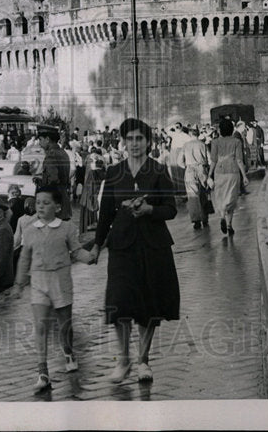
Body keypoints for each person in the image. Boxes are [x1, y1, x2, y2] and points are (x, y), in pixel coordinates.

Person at [91, 118, 180, 384]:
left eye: (139, 139)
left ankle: (143, 361)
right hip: (121, 244)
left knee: (148, 304)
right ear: (123, 142)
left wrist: (150, 209)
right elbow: (105, 213)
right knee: (119, 302)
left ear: (148, 142)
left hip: (153, 245)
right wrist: (97, 244)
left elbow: (171, 209)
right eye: (129, 139)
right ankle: (123, 360)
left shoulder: (159, 170)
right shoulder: (114, 172)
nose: (134, 144)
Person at [11, 186, 94, 392]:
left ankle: (68, 352)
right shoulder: (29, 229)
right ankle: (43, 372)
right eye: (38, 202)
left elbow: (75, 250)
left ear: (57, 207)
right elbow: (24, 257)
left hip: (61, 281)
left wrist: (90, 257)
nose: (40, 206)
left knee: (64, 325)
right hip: (39, 283)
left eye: (46, 203)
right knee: (41, 327)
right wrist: (19, 283)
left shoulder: (66, 228)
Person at [209, 119, 250, 236]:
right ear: (232, 129)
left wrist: (209, 175)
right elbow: (239, 160)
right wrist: (244, 176)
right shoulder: (237, 141)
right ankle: (229, 225)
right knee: (232, 197)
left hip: (219, 172)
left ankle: (222, 216)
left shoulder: (215, 142)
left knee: (221, 196)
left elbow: (213, 160)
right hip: (233, 172)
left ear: (220, 129)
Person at [35, 126, 73, 221]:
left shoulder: (51, 155)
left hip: (54, 205)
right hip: (63, 202)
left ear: (47, 139)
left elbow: (53, 181)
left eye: (40, 140)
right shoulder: (63, 152)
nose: (39, 144)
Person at [181, 129, 212, 230]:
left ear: (190, 134)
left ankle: (196, 220)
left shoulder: (186, 145)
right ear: (198, 135)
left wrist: (186, 166)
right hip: (201, 169)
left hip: (190, 169)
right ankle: (205, 218)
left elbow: (179, 161)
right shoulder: (202, 144)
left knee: (192, 196)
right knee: (203, 194)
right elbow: (210, 159)